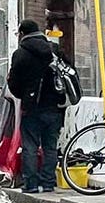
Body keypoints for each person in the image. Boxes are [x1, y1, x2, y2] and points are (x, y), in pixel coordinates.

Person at [7, 20, 68, 193]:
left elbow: (14, 84)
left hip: (31, 107)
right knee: (50, 147)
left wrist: (24, 96)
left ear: (22, 33)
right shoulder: (54, 50)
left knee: (30, 146)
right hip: (54, 107)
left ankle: (31, 184)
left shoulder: (20, 54)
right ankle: (48, 182)